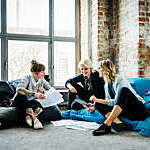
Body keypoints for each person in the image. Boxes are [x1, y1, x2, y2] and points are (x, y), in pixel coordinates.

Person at [90, 59, 148, 136]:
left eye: (99, 68)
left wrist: (97, 99)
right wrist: (95, 103)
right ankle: (119, 123)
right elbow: (109, 102)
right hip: (125, 111)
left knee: (124, 90)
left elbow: (116, 101)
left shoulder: (119, 79)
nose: (98, 71)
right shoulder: (106, 84)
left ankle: (106, 124)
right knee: (98, 104)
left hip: (138, 110)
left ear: (104, 69)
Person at [12, 60, 62, 129]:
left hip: (33, 103)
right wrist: (34, 94)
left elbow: (50, 90)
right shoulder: (27, 78)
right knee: (21, 95)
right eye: (42, 72)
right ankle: (34, 118)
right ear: (35, 73)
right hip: (22, 101)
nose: (44, 73)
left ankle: (31, 117)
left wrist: (44, 91)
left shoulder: (42, 79)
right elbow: (19, 89)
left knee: (51, 109)